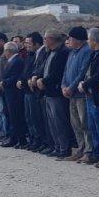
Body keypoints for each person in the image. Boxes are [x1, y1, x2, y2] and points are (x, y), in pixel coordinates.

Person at [39, 29, 73, 158]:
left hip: (56, 91)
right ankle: (57, 146)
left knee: (60, 121)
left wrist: (44, 81)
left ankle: (64, 147)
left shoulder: (63, 53)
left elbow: (57, 73)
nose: (44, 41)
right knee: (52, 122)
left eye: (46, 38)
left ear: (52, 39)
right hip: (48, 91)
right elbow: (44, 69)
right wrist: (38, 77)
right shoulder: (50, 52)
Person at [62, 26, 93, 162]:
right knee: (75, 123)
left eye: (70, 38)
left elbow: (82, 72)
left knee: (84, 123)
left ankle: (89, 151)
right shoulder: (72, 52)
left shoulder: (86, 51)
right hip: (70, 94)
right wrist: (64, 86)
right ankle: (80, 149)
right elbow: (66, 71)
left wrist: (71, 87)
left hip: (80, 94)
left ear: (77, 39)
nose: (68, 40)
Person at [82, 26, 99, 165]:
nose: (88, 42)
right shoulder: (94, 53)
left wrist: (86, 83)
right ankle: (96, 153)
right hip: (89, 95)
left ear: (93, 40)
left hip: (98, 96)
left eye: (89, 39)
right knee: (93, 127)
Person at [0, 41, 27, 147]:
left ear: (8, 51)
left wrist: (5, 82)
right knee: (10, 116)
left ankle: (20, 139)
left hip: (14, 94)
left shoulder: (17, 61)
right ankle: (13, 138)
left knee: (16, 117)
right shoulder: (11, 61)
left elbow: (15, 76)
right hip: (9, 93)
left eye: (5, 51)